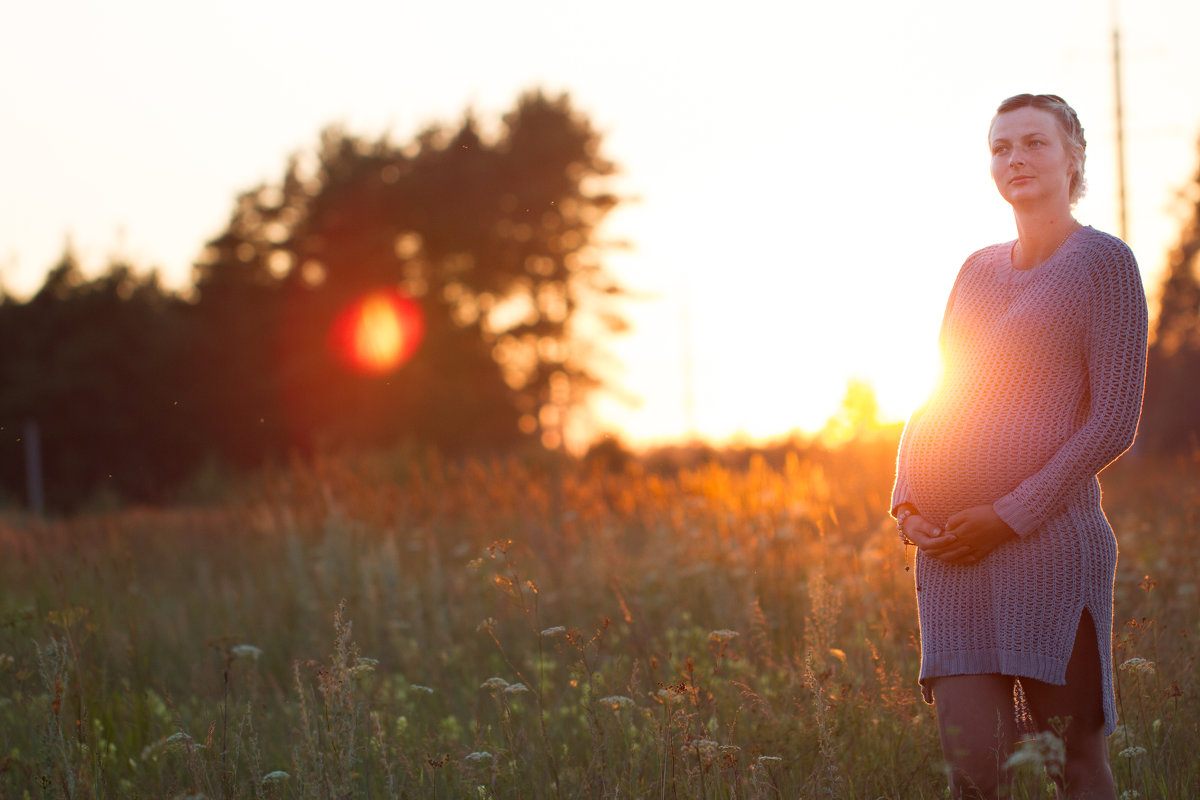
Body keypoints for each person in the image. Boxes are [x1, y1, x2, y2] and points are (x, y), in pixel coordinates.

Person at [891, 93, 1148, 799]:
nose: (1016, 159)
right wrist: (907, 498)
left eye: (1035, 143)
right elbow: (941, 392)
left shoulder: (1105, 265)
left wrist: (1009, 514)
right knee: (975, 774)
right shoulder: (976, 270)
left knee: (1073, 763)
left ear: (1074, 158)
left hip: (1051, 554)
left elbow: (1111, 422)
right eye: (1001, 147)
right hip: (953, 559)